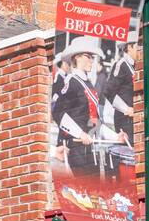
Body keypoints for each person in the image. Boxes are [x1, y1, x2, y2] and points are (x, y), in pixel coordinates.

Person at [52, 36, 103, 173]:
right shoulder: (71, 81)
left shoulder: (87, 83)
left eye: (92, 57)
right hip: (74, 146)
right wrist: (80, 134)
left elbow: (94, 118)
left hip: (87, 145)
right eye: (88, 56)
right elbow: (58, 112)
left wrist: (116, 137)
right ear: (77, 57)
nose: (92, 60)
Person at [103, 41, 136, 147]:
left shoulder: (136, 65)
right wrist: (126, 109)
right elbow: (109, 91)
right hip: (125, 119)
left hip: (134, 118)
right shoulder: (121, 64)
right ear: (129, 47)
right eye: (138, 45)